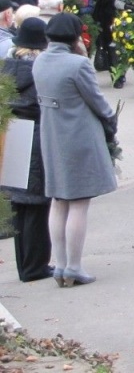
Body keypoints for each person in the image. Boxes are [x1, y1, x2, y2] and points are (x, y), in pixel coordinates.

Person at [32, 13, 118, 287]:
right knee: (79, 202)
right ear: (74, 36)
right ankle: (74, 266)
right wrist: (110, 118)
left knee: (59, 201)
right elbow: (96, 100)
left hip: (52, 135)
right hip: (78, 135)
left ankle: (59, 265)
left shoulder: (39, 61)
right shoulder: (78, 64)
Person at [1, 18, 52, 282]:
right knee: (37, 206)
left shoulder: (7, 68)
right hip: (34, 137)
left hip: (11, 135)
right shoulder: (38, 72)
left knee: (20, 207)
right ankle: (35, 266)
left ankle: (26, 265)